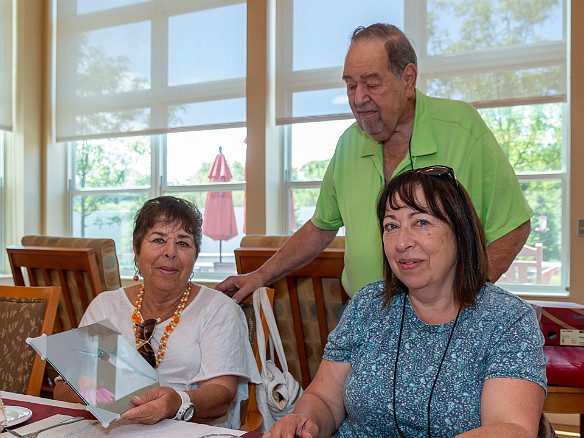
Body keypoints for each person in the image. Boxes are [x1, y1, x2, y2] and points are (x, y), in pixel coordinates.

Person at [217, 23, 532, 303]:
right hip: (365, 320)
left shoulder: (463, 128)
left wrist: (466, 298)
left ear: (407, 80)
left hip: (446, 323)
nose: (358, 98)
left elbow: (514, 225)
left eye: (372, 83)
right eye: (351, 84)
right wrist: (259, 276)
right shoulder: (348, 144)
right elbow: (319, 228)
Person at [264, 166, 547, 438]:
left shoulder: (507, 320)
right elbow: (324, 399)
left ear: (461, 233)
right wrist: (305, 422)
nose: (401, 243)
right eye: (391, 226)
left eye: (421, 222)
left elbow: (510, 429)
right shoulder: (368, 305)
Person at [54, 196, 260, 428]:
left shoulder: (218, 309)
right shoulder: (106, 306)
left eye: (183, 243)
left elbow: (222, 394)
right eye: (158, 240)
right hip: (114, 430)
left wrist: (177, 403)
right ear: (136, 251)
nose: (170, 252)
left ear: (195, 256)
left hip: (191, 430)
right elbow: (63, 390)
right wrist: (101, 395)